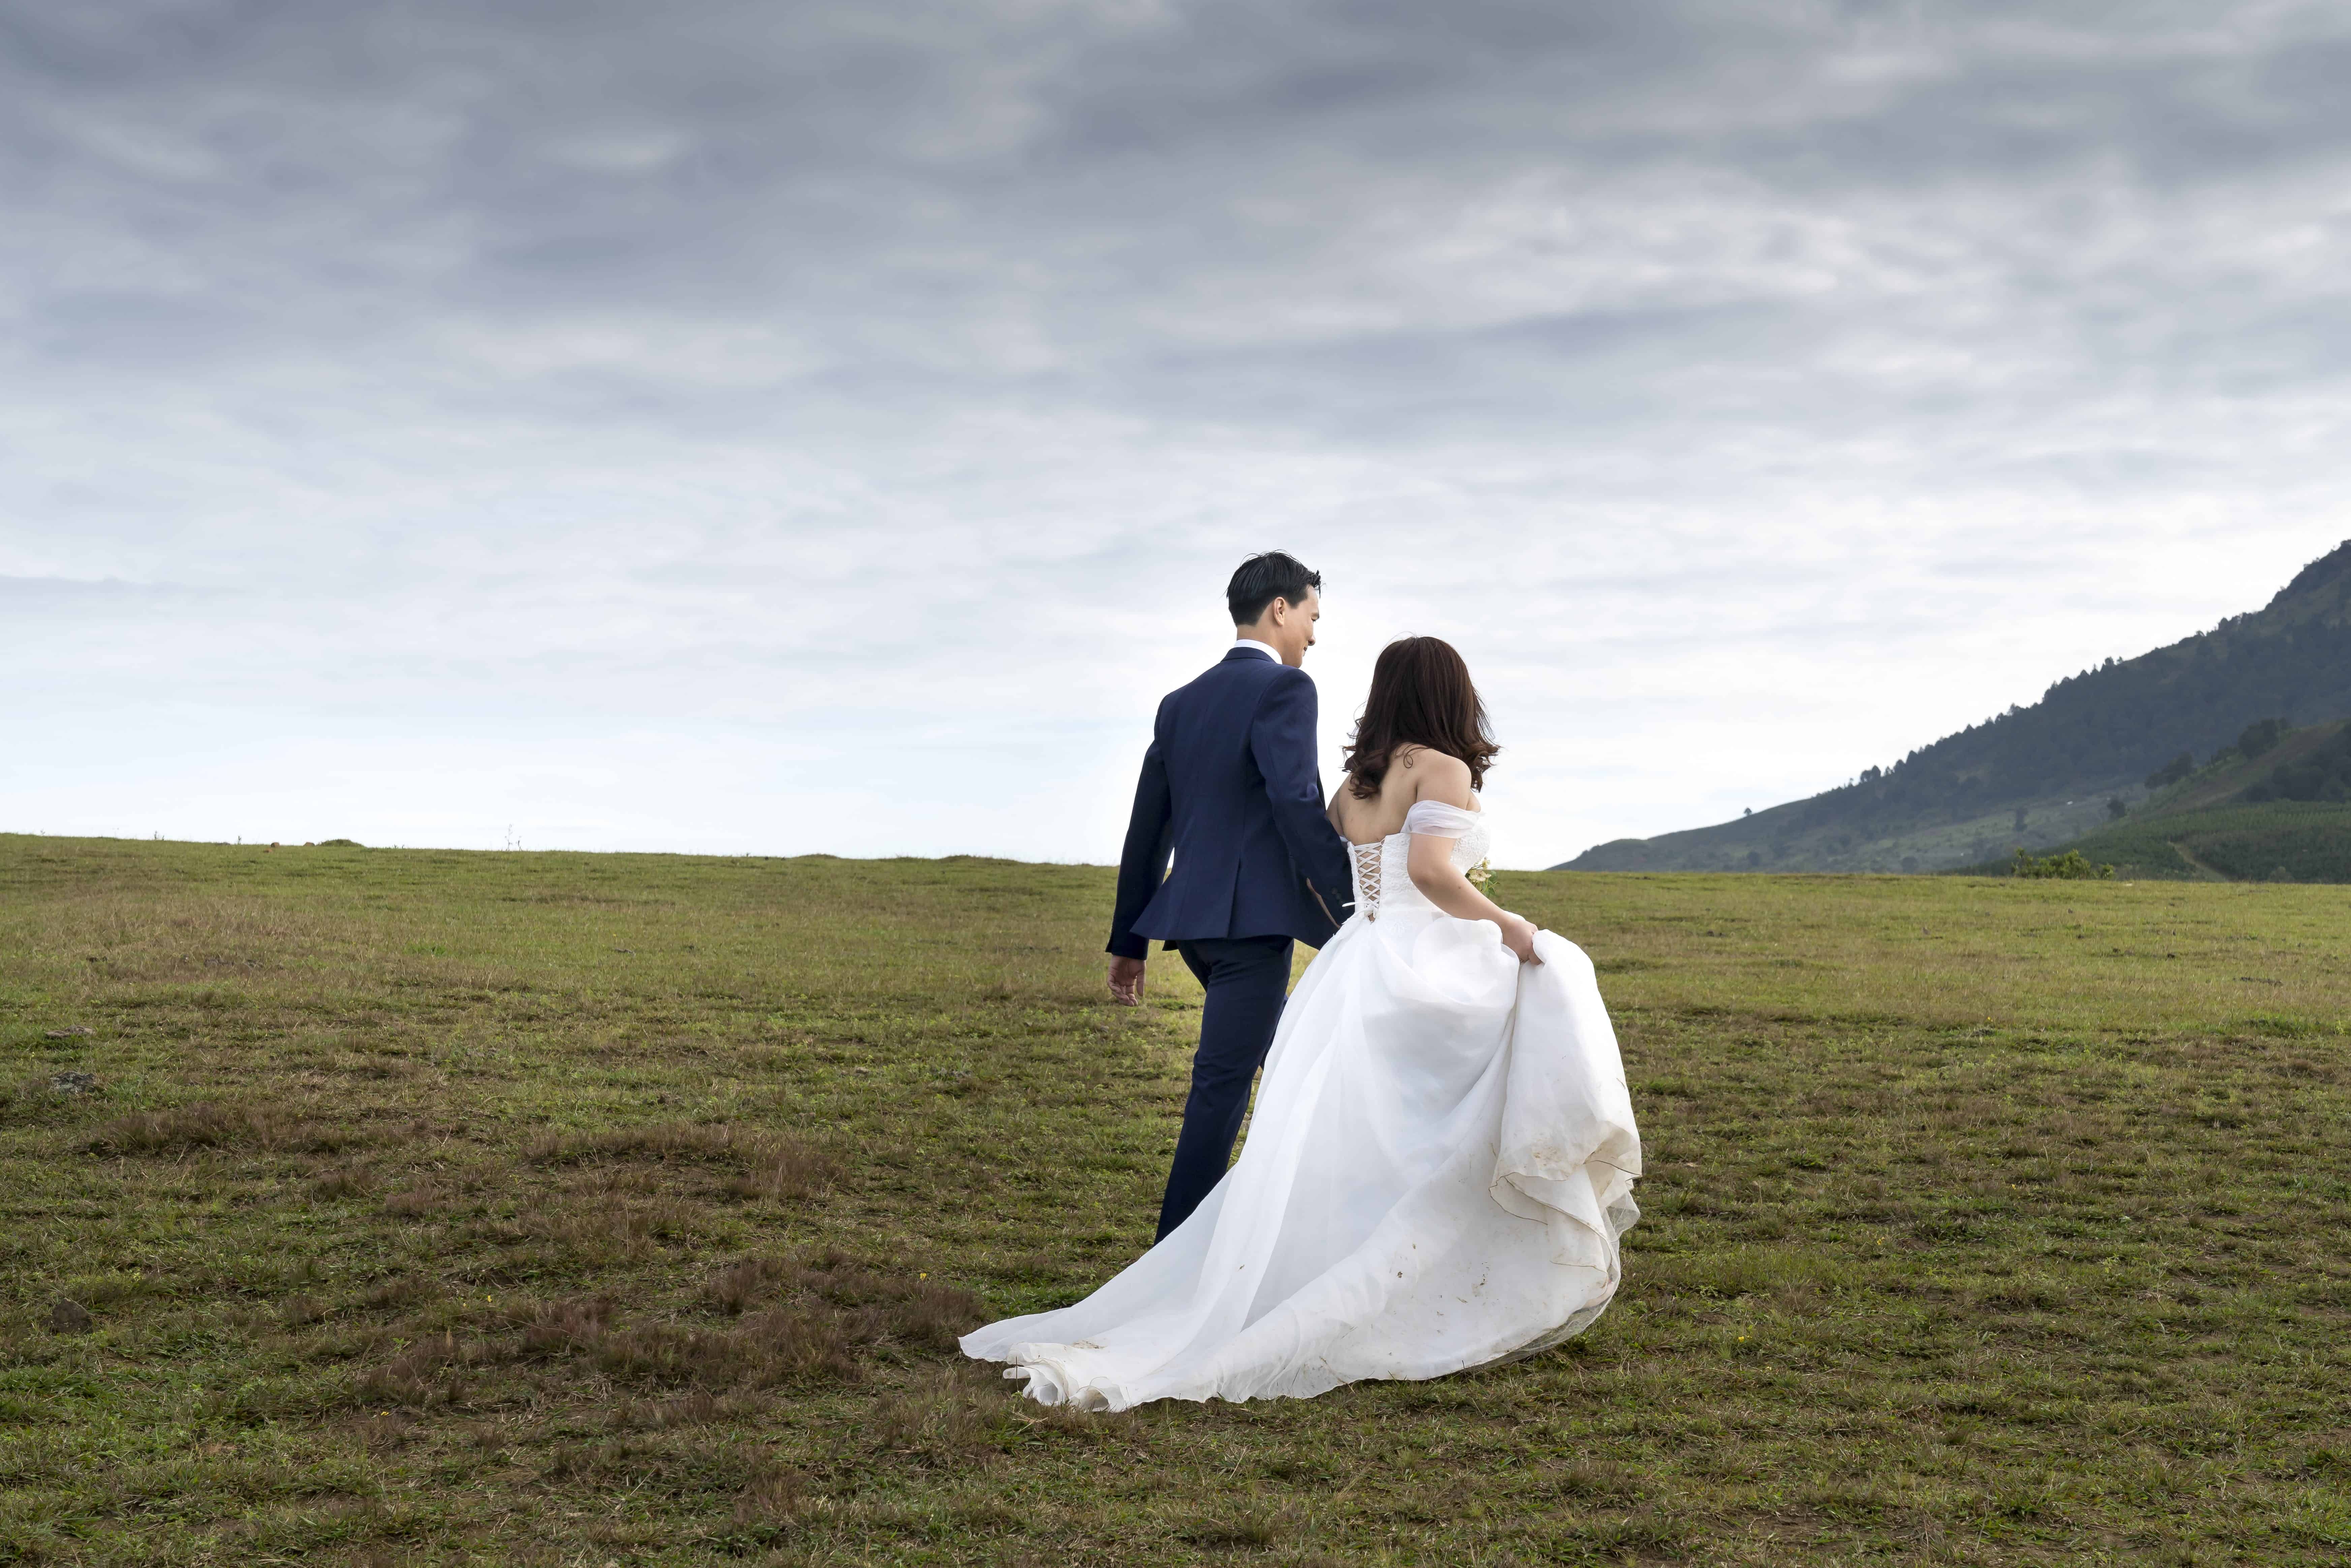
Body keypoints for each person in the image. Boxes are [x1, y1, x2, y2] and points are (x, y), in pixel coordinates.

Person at [962, 633, 1643, 1411]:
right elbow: (1428, 870)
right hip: (1430, 953)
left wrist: (1375, 926)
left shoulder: (1354, 787)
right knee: (1546, 989)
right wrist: (1507, 925)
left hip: (1360, 957)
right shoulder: (1444, 768)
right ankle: (1462, 1261)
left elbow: (1332, 873)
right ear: (1451, 694)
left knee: (1364, 1130)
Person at [1103, 551, 1357, 1241]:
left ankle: (1291, 1236)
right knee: (1220, 1093)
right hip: (1251, 931)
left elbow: (1146, 828)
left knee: (1295, 1077)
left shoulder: (1180, 703)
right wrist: (1357, 906)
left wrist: (1130, 943)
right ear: (1281, 608)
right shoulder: (1286, 692)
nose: (1314, 632)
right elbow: (1296, 801)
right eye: (1312, 615)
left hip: (1198, 931)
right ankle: (1174, 1263)